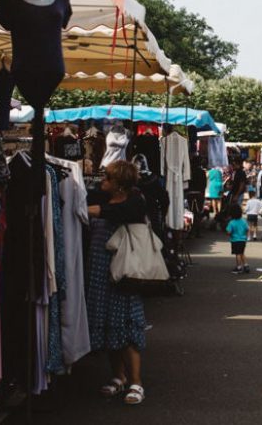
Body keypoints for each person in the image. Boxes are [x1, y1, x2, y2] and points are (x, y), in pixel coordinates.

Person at [86, 160, 148, 405]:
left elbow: (120, 214)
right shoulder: (101, 197)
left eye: (108, 178)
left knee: (126, 324)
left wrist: (93, 210)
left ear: (120, 184)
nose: (103, 181)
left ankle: (136, 381)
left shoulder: (134, 201)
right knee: (108, 324)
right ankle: (118, 376)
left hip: (124, 271)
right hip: (100, 270)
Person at [226, 206, 250, 273]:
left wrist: (229, 234)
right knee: (242, 253)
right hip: (243, 240)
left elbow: (228, 232)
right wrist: (247, 237)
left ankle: (239, 267)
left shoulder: (232, 222)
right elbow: (247, 229)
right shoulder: (243, 221)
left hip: (235, 240)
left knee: (237, 254)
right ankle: (246, 265)